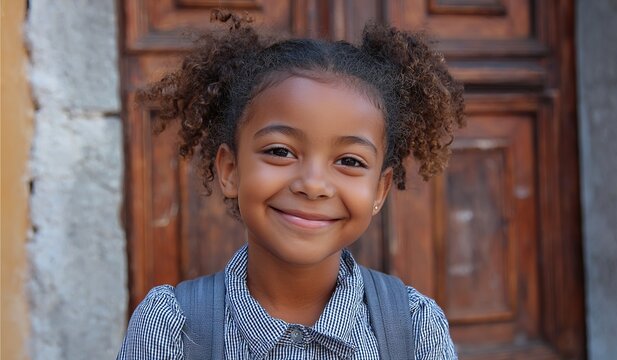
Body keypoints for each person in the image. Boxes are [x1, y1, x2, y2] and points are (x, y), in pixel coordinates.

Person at [117, 10, 464, 360]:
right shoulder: (171, 325)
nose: (313, 185)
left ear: (379, 191)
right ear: (230, 170)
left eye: (349, 161)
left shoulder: (414, 326)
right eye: (280, 151)